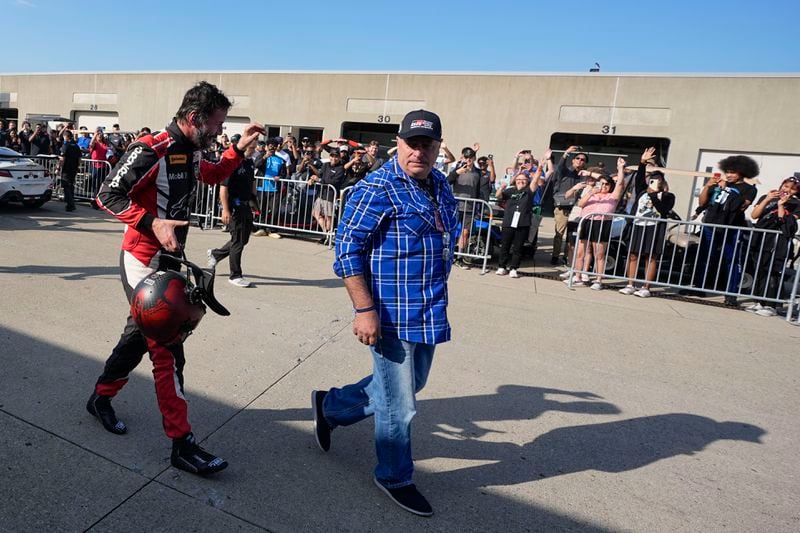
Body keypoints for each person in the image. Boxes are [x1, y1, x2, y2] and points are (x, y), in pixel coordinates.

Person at [88, 81, 264, 475]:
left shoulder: (193, 150)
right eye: (217, 124)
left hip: (170, 260)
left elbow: (216, 173)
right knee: (168, 348)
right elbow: (105, 195)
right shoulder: (152, 148)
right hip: (142, 260)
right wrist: (152, 222)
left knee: (138, 338)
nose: (220, 131)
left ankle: (100, 397)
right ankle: (181, 443)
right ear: (193, 118)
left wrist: (240, 148)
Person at [312, 110, 458, 517]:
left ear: (436, 146)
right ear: (399, 142)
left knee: (410, 385)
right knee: (400, 404)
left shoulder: (439, 184)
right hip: (389, 313)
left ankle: (330, 407)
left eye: (427, 144)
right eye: (412, 143)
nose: (419, 152)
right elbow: (346, 250)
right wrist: (364, 309)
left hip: (428, 309)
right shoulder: (376, 188)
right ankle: (394, 475)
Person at [690, 155, 759, 304]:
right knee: (704, 256)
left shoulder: (749, 189)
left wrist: (727, 189)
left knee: (732, 259)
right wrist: (708, 186)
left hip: (732, 227)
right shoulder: (717, 184)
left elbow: (742, 206)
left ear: (742, 173)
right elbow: (703, 202)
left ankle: (731, 294)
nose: (728, 175)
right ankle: (698, 286)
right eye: (727, 171)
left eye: (733, 172)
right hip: (711, 224)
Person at [618, 147, 676, 298]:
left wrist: (655, 195)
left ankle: (646, 286)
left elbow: (664, 210)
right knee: (633, 255)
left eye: (657, 180)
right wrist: (642, 163)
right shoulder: (643, 190)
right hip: (639, 225)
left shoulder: (668, 196)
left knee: (650, 257)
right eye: (652, 179)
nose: (653, 182)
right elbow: (639, 178)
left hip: (654, 227)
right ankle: (630, 284)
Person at [208, 135, 258, 288]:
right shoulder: (233, 163)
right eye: (251, 147)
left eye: (255, 147)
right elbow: (223, 188)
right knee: (237, 241)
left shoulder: (250, 162)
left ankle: (216, 254)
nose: (253, 150)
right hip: (234, 206)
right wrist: (225, 210)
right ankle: (235, 275)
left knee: (243, 239)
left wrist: (255, 202)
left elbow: (252, 184)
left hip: (245, 205)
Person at [745, 177, 800, 316]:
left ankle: (771, 305)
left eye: (792, 188)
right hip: (761, 239)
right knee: (759, 269)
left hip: (778, 241)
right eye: (786, 186)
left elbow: (785, 221)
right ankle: (759, 300)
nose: (787, 190)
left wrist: (782, 204)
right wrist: (767, 200)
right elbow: (754, 215)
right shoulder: (768, 196)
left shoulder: (796, 203)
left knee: (773, 272)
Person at [575, 159, 627, 290]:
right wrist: (591, 192)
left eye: (606, 185)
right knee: (581, 251)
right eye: (602, 184)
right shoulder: (591, 194)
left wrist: (620, 168)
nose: (603, 187)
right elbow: (580, 204)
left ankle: (598, 279)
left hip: (602, 224)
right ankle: (577, 276)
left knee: (599, 253)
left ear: (610, 186)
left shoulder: (612, 197)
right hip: (587, 222)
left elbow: (620, 183)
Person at [494, 165, 542, 278]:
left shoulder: (529, 191)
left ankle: (514, 268)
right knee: (505, 245)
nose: (521, 182)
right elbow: (498, 196)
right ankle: (502, 266)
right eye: (519, 180)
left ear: (527, 181)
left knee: (518, 247)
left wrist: (540, 166)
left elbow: (536, 180)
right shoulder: (510, 191)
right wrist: (501, 188)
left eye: (523, 180)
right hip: (508, 222)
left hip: (522, 223)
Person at [551, 146, 588, 265]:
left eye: (583, 159)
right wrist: (566, 153)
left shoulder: (584, 176)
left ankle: (567, 257)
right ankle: (555, 256)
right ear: (573, 160)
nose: (580, 161)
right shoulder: (566, 171)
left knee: (571, 236)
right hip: (563, 207)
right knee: (559, 234)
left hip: (576, 209)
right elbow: (560, 167)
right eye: (578, 158)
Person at [447, 147, 481, 269]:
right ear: (462, 157)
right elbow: (447, 181)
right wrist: (458, 172)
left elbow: (479, 190)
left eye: (470, 158)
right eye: (466, 157)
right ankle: (449, 254)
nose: (468, 160)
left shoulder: (478, 172)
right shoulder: (457, 169)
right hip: (456, 205)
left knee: (465, 233)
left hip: (470, 207)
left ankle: (460, 257)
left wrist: (479, 207)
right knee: (452, 231)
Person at [57, 130, 82, 212]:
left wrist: (58, 168)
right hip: (74, 168)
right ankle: (71, 202)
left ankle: (70, 204)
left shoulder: (66, 145)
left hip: (66, 168)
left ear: (65, 136)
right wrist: (77, 166)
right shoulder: (76, 146)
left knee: (65, 185)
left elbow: (62, 158)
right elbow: (79, 159)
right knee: (71, 185)